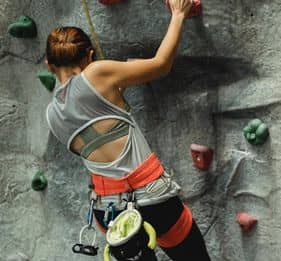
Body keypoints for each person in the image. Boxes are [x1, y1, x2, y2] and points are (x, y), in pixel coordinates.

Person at [44, 0, 211, 260]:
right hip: (154, 199)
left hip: (108, 211)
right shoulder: (97, 73)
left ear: (49, 65)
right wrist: (179, 14)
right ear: (89, 56)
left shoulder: (52, 115)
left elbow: (98, 127)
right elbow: (161, 64)